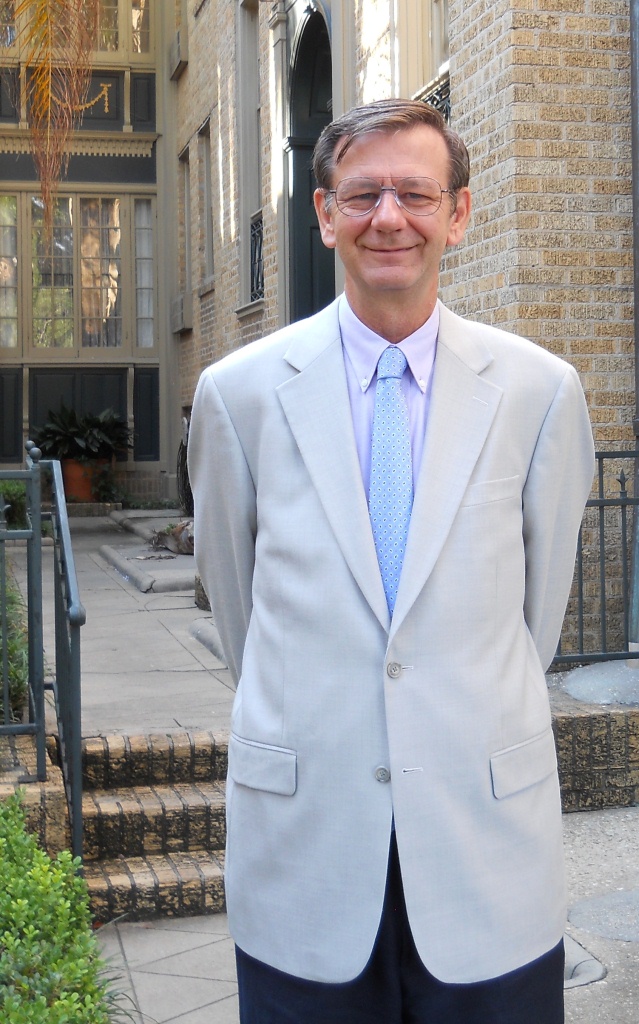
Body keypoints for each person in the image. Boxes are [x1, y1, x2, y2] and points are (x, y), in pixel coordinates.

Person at [188, 98, 595, 1023]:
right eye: (362, 194)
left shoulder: (538, 391)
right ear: (325, 215)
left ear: (456, 214)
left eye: (415, 194)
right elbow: (240, 616)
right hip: (304, 846)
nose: (388, 218)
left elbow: (535, 620)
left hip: (487, 849)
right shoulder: (237, 395)